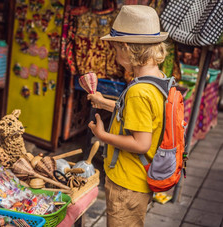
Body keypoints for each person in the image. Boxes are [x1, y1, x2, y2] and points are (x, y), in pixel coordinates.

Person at [87, 5, 168, 227]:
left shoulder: (138, 92)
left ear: (125, 48)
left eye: (115, 49)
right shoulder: (158, 79)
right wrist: (105, 102)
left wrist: (102, 135)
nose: (115, 54)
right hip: (139, 179)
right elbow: (142, 117)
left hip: (127, 182)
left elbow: (141, 143)